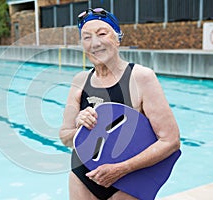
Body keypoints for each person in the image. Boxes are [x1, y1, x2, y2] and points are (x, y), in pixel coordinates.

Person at [59, 8, 181, 200]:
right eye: (87, 37)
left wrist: (122, 169)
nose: (95, 43)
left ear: (117, 38)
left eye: (102, 34)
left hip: (128, 181)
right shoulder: (80, 81)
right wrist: (80, 127)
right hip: (82, 175)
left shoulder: (141, 77)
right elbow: (65, 137)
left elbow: (170, 141)